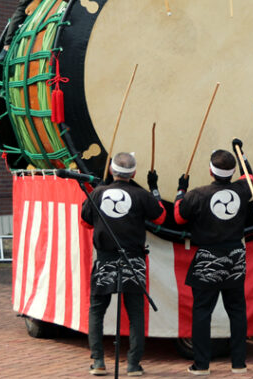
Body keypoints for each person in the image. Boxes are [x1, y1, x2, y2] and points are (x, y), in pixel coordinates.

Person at [80, 152, 167, 377]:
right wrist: (154, 189)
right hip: (133, 260)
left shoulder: (97, 193)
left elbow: (85, 222)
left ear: (111, 170)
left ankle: (98, 361)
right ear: (134, 173)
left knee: (97, 310)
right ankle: (133, 364)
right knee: (136, 313)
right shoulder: (141, 195)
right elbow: (160, 217)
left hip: (105, 260)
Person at [174, 146, 253, 375]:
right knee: (237, 311)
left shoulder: (198, 195)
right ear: (233, 171)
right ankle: (239, 363)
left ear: (210, 171)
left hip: (208, 258)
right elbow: (250, 177)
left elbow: (178, 216)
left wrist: (181, 190)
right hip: (235, 257)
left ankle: (201, 365)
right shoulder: (242, 190)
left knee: (202, 312)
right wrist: (241, 153)